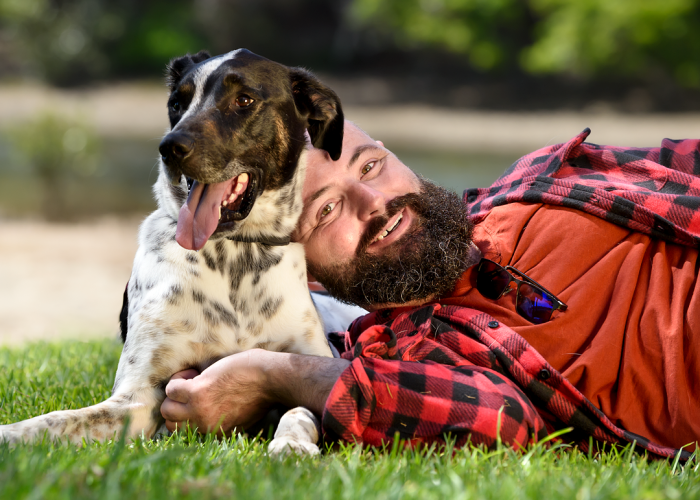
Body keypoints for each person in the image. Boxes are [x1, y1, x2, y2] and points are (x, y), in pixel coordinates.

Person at [160, 121, 699, 460]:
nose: (373, 201)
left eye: (371, 165)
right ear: (306, 275)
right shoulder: (410, 353)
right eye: (326, 211)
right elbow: (496, 420)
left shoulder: (535, 180)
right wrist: (271, 373)